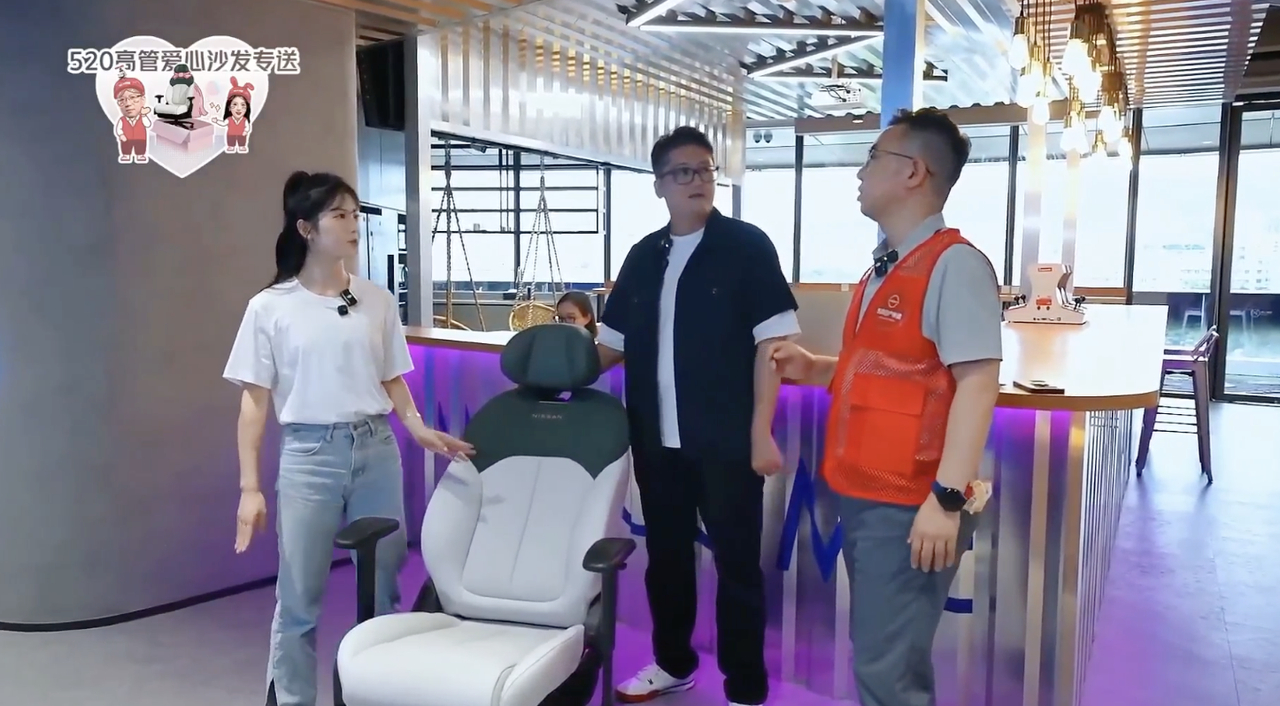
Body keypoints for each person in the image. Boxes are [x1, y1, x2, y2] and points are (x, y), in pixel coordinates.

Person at [769, 108, 1002, 706]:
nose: (860, 171)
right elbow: (890, 372)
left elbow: (978, 384)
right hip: (868, 494)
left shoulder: (954, 264)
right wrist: (816, 369)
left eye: (873, 157)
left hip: (911, 501)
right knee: (881, 657)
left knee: (887, 671)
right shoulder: (886, 265)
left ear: (913, 172)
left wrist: (945, 500)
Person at [223, 171, 474, 706]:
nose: (353, 225)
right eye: (339, 215)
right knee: (299, 598)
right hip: (309, 456)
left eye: (355, 214)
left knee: (384, 587)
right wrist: (249, 488)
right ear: (306, 228)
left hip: (376, 449)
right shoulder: (270, 306)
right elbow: (254, 401)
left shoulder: (376, 300)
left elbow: (390, 377)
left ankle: (376, 694)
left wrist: (416, 427)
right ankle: (292, 699)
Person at [598, 126, 799, 706]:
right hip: (656, 442)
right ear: (659, 184)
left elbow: (774, 346)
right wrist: (551, 367)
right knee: (665, 560)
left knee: (737, 567)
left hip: (728, 443)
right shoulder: (644, 255)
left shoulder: (746, 247)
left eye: (706, 170)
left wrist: (760, 431)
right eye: (683, 172)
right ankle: (672, 663)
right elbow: (609, 346)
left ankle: (745, 687)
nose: (698, 181)